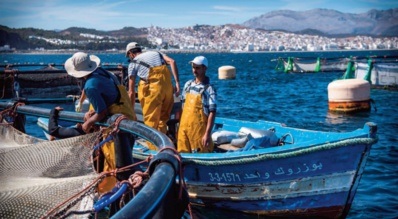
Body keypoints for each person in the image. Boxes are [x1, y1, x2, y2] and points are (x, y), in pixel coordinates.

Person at [126, 42, 180, 150]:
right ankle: (165, 146)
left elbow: (131, 92)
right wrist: (177, 83)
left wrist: (131, 112)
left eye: (128, 56)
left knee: (151, 124)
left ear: (131, 53)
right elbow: (172, 62)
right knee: (162, 121)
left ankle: (155, 151)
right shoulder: (157, 53)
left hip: (153, 92)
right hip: (168, 89)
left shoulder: (133, 63)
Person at [177, 56, 217, 153]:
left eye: (197, 68)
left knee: (200, 154)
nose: (194, 70)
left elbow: (212, 112)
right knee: (181, 154)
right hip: (183, 129)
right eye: (193, 67)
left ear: (205, 68)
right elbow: (182, 106)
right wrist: (178, 127)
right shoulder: (188, 85)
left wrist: (207, 134)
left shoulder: (209, 89)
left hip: (198, 131)